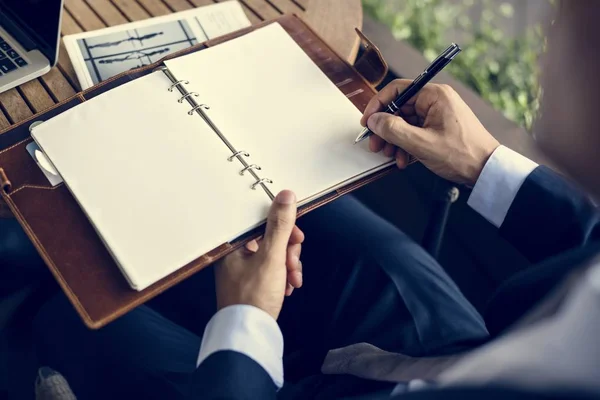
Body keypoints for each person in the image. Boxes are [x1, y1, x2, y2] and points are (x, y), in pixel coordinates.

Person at [32, 1, 600, 399]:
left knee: (70, 317)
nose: (555, 29)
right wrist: (482, 164)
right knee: (307, 203)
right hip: (460, 349)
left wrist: (244, 321)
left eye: (578, 17)